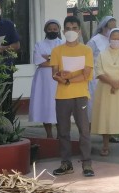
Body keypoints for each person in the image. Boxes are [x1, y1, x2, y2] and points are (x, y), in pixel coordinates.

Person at [50, 16, 94, 177]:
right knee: (63, 130)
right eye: (68, 28)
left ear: (79, 31)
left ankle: (87, 164)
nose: (71, 31)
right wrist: (59, 75)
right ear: (63, 31)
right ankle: (66, 163)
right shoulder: (57, 50)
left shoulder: (86, 50)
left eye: (74, 28)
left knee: (84, 130)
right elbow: (54, 73)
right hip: (62, 96)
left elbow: (86, 74)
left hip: (81, 95)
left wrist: (67, 79)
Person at [91, 28, 119, 156]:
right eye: (113, 38)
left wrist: (118, 83)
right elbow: (99, 71)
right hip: (105, 89)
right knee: (105, 117)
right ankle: (105, 145)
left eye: (118, 38)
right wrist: (113, 83)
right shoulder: (102, 54)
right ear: (109, 39)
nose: (116, 40)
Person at [86, 16, 119, 143]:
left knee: (108, 108)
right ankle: (87, 136)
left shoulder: (113, 40)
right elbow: (87, 58)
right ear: (104, 27)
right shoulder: (94, 41)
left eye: (114, 27)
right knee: (93, 107)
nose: (112, 30)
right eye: (110, 27)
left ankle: (109, 134)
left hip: (110, 78)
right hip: (95, 79)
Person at [29, 19, 63, 138]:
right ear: (45, 30)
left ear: (59, 30)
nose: (52, 31)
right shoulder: (39, 44)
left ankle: (60, 135)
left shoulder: (63, 43)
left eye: (55, 29)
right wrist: (54, 59)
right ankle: (49, 135)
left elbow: (63, 61)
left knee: (58, 106)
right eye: (50, 29)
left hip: (59, 79)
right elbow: (38, 61)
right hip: (43, 80)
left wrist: (48, 57)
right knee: (45, 105)